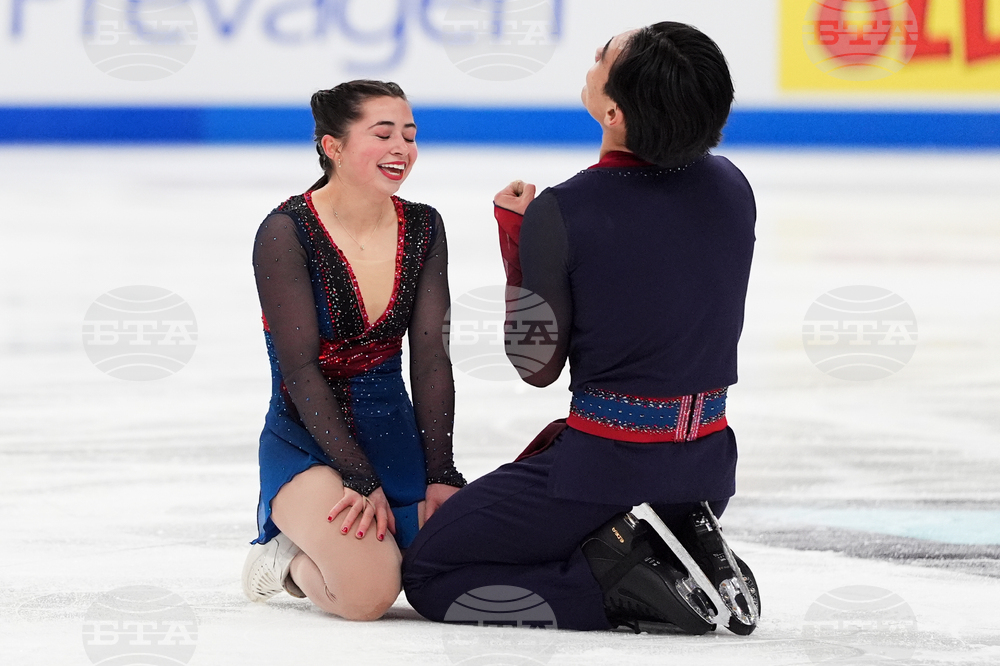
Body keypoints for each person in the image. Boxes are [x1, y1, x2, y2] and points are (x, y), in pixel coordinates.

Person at [402, 22, 758, 633]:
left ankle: (619, 581)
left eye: (602, 58)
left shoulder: (565, 210)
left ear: (614, 111)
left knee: (432, 574)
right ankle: (668, 536)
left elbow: (534, 365)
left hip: (602, 469)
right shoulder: (732, 186)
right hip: (704, 468)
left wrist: (519, 240)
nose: (591, 60)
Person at [240, 80, 466, 621]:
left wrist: (440, 472)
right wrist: (357, 477)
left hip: (393, 430)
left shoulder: (424, 227)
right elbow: (299, 369)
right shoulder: (285, 232)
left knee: (455, 572)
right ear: (332, 147)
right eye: (383, 133)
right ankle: (287, 557)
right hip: (309, 439)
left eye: (409, 136)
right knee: (368, 596)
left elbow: (432, 357)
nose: (402, 149)